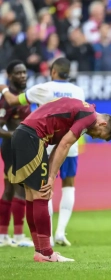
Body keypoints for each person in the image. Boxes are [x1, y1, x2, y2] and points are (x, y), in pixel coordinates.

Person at [0, 94, 111, 262]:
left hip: (23, 135)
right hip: (32, 138)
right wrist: (51, 176)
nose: (93, 136)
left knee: (32, 196)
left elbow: (60, 144)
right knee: (42, 194)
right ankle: (47, 252)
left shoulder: (84, 110)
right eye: (99, 134)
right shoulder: (89, 117)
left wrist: (50, 172)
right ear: (102, 123)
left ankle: (40, 251)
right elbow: (65, 145)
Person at [0, 57, 85, 247]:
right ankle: (60, 232)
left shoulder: (42, 88)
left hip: (45, 143)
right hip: (70, 143)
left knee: (41, 188)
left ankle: (42, 235)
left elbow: (14, 100)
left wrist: (3, 88)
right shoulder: (78, 91)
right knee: (68, 185)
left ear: (53, 71)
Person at [0, 61, 33, 247]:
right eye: (18, 73)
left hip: (19, 147)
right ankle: (19, 237)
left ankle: (3, 235)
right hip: (13, 148)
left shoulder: (22, 97)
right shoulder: (7, 99)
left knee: (10, 189)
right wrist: (15, 134)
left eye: (24, 72)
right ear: (10, 76)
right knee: (20, 188)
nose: (22, 76)